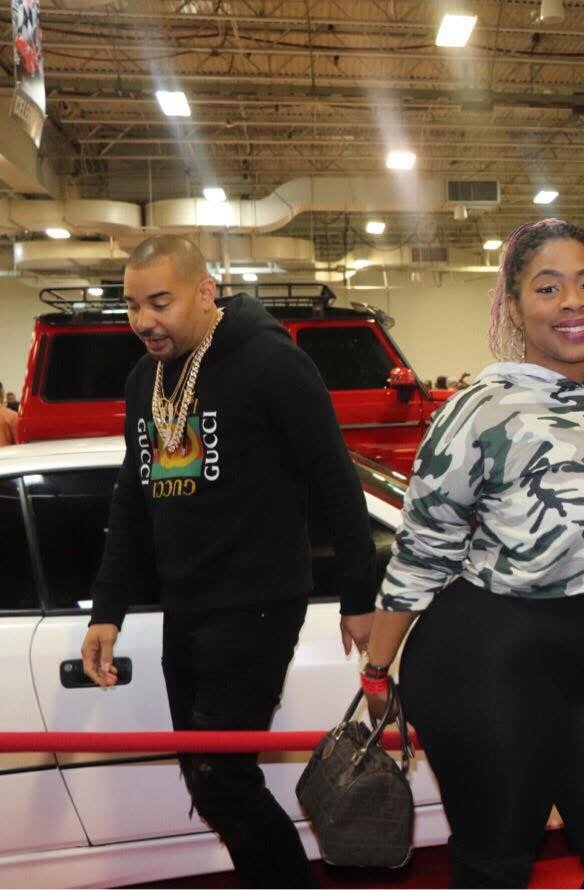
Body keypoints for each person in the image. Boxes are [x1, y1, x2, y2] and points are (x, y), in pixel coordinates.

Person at [362, 219, 584, 889]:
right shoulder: (482, 404)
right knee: (497, 866)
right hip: (484, 656)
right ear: (514, 306)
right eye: (549, 288)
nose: (573, 302)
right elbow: (423, 546)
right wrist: (376, 666)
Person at [78, 235, 376, 887]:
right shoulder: (144, 381)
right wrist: (108, 611)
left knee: (220, 777)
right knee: (207, 774)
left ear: (205, 291)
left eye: (161, 302)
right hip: (187, 604)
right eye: (132, 306)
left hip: (260, 599)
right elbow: (134, 498)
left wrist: (359, 595)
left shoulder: (269, 362)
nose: (144, 321)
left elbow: (333, 478)